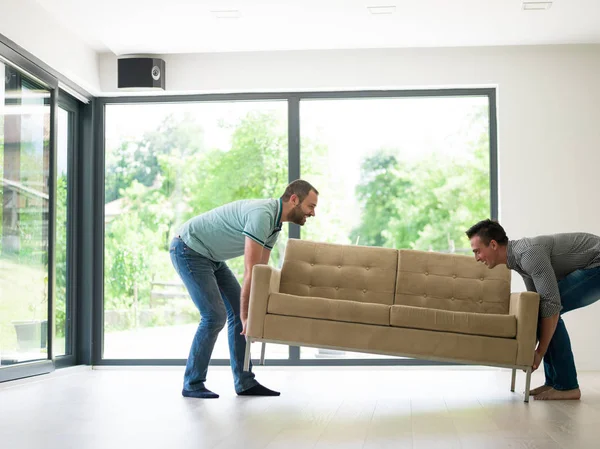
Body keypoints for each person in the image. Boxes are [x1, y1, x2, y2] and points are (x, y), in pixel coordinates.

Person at [169, 180, 319, 398]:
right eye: (311, 206)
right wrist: (249, 316)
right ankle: (192, 383)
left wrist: (257, 317)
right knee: (214, 316)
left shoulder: (274, 226)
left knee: (240, 318)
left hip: (212, 257)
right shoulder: (262, 215)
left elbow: (261, 274)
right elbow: (250, 272)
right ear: (294, 200)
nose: (313, 213)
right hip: (189, 248)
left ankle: (245, 382)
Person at [466, 219, 600, 400]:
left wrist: (539, 353)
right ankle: (554, 382)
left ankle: (567, 385)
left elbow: (551, 306)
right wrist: (527, 352)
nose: (477, 258)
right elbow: (536, 307)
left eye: (477, 251)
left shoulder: (528, 255)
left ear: (493, 244)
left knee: (549, 309)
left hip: (596, 263)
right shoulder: (519, 261)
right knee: (540, 309)